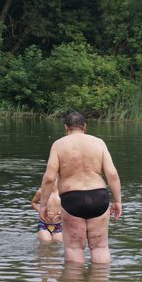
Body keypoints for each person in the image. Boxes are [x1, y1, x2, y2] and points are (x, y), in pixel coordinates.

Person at [39, 111, 122, 264]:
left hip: (72, 199)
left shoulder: (59, 144)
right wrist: (118, 202)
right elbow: (113, 175)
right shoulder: (98, 143)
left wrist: (43, 204)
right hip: (99, 197)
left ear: (66, 128)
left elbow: (50, 178)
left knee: (74, 248)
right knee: (100, 247)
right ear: (85, 127)